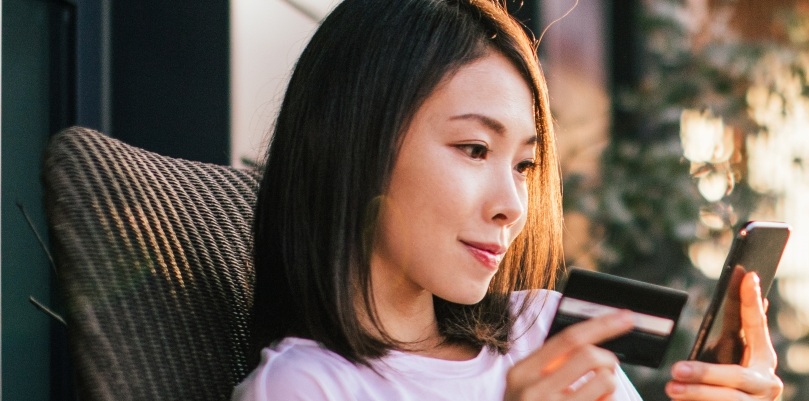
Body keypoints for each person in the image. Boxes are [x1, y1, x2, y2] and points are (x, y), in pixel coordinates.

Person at [233, 0, 781, 400]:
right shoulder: (306, 386)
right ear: (354, 142)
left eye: (524, 165)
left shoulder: (542, 331)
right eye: (474, 149)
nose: (513, 206)